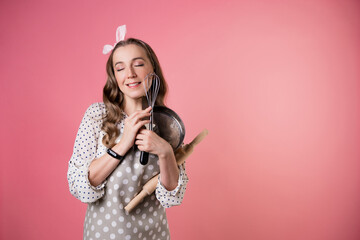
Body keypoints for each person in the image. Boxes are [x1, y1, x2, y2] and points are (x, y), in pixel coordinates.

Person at [67, 26, 188, 240]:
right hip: (104, 235)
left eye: (138, 64)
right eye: (120, 68)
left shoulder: (168, 124)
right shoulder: (97, 116)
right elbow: (80, 187)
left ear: (153, 70)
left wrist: (165, 152)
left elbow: (171, 198)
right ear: (115, 76)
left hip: (154, 234)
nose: (130, 74)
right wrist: (123, 143)